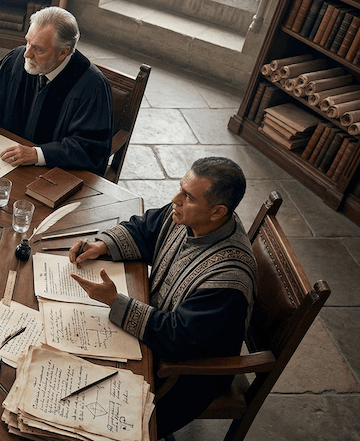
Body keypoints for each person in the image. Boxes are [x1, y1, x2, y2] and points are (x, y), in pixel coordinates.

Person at [68, 157, 257, 438]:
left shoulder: (226, 281)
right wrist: (102, 245)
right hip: (157, 335)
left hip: (186, 377)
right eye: (181, 188)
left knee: (84, 402)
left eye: (188, 196)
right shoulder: (190, 217)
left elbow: (177, 338)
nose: (175, 199)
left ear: (218, 212)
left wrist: (115, 302)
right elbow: (146, 229)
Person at [0, 6, 112, 175]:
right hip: (2, 163)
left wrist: (37, 154)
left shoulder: (91, 86)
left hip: (52, 177)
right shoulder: (16, 60)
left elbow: (90, 148)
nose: (27, 53)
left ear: (63, 52)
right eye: (28, 42)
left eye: (38, 48)